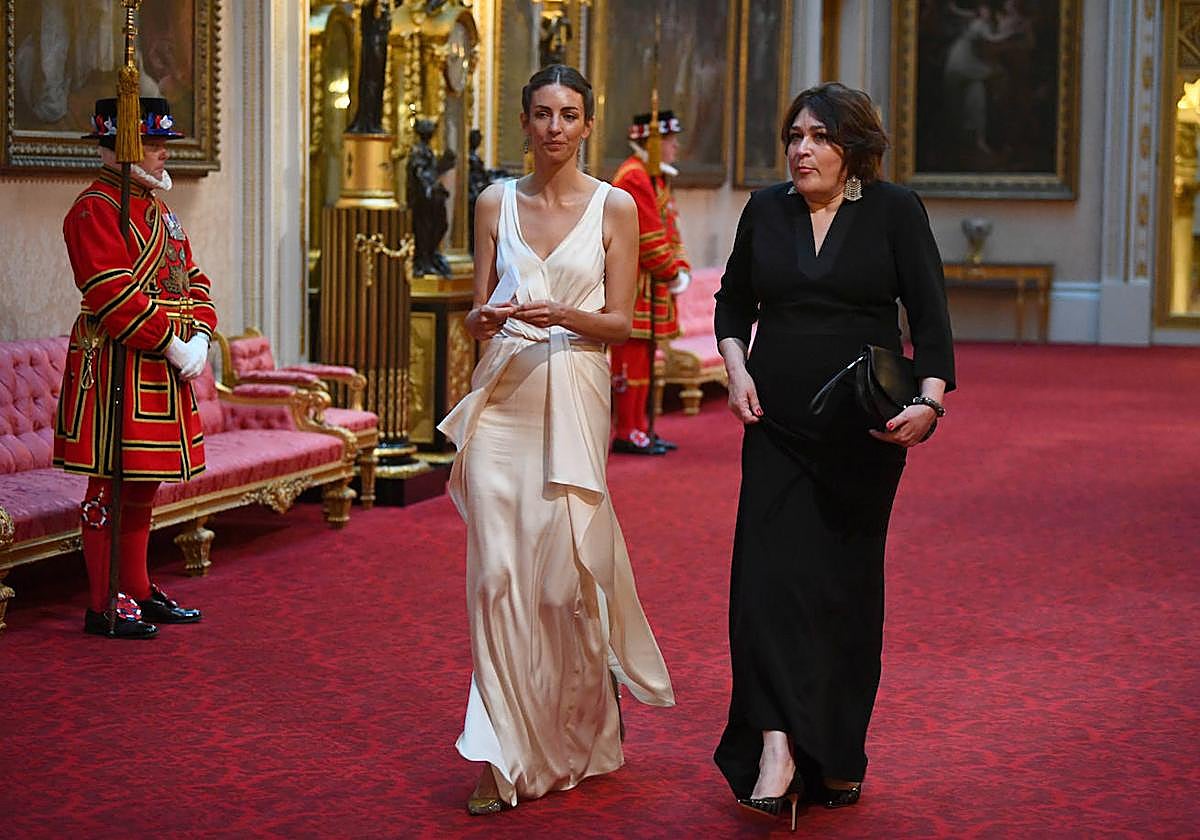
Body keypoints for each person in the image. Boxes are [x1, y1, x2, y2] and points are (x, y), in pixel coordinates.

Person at [712, 83, 955, 827]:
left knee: (841, 590)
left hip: (861, 436)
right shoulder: (766, 209)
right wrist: (737, 370)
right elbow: (732, 303)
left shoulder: (895, 211)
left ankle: (837, 750)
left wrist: (930, 403)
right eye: (795, 136)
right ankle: (775, 746)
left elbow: (931, 320)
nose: (802, 149)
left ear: (853, 147)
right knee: (764, 583)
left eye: (819, 136)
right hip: (776, 426)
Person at [437, 64, 675, 814]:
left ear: (587, 124)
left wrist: (561, 316)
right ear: (524, 121)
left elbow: (621, 324)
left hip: (573, 394)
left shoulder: (615, 206)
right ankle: (501, 754)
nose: (555, 127)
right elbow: (475, 314)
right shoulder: (493, 202)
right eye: (542, 114)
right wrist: (483, 319)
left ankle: (581, 722)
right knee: (494, 578)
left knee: (559, 585)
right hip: (502, 401)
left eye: (569, 114)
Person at [54, 97, 215, 639]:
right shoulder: (94, 209)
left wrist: (201, 336)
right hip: (116, 361)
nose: (164, 151)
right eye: (153, 142)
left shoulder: (161, 211)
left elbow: (193, 279)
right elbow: (111, 294)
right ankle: (104, 602)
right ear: (121, 145)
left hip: (160, 367)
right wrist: (171, 343)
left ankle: (138, 589)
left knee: (144, 482)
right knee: (109, 482)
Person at [609, 110, 691, 455]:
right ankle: (627, 430)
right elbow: (648, 238)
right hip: (634, 286)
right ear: (653, 143)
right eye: (670, 141)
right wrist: (671, 272)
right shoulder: (634, 177)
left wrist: (680, 266)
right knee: (631, 361)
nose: (675, 147)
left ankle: (640, 427)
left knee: (644, 358)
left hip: (652, 286)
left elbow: (670, 229)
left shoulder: (655, 178)